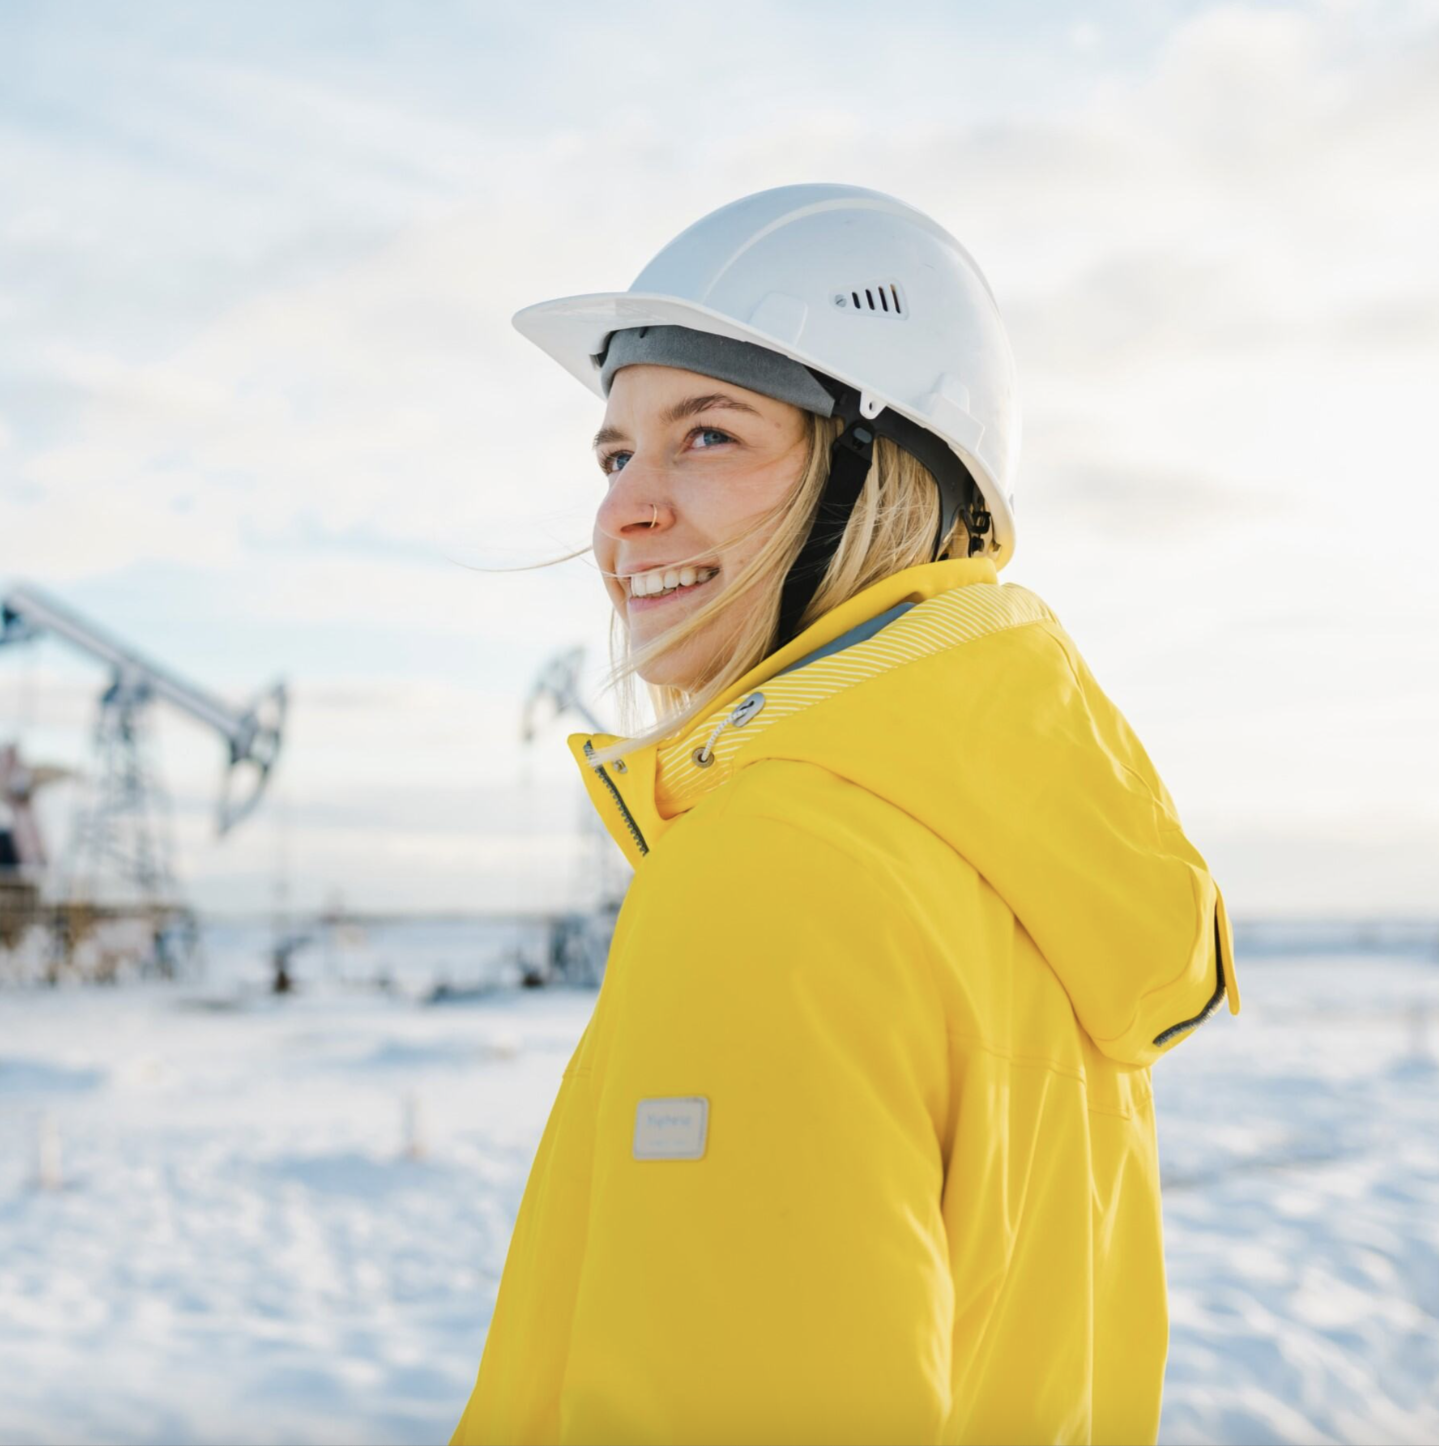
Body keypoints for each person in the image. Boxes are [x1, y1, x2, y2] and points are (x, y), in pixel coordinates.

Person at [453, 184, 1237, 1445]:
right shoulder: (1036, 862)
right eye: (614, 453)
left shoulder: (777, 870)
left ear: (883, 474)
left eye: (708, 434)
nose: (621, 515)